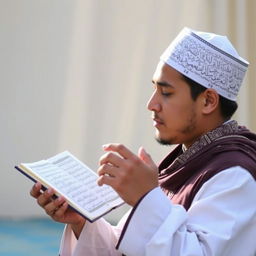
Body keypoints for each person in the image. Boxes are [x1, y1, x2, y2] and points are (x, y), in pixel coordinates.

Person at [30, 27, 256, 256]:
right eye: (154, 89)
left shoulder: (235, 175)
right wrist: (81, 222)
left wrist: (146, 197)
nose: (151, 104)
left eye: (166, 93)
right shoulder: (187, 162)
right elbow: (128, 248)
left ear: (208, 101)